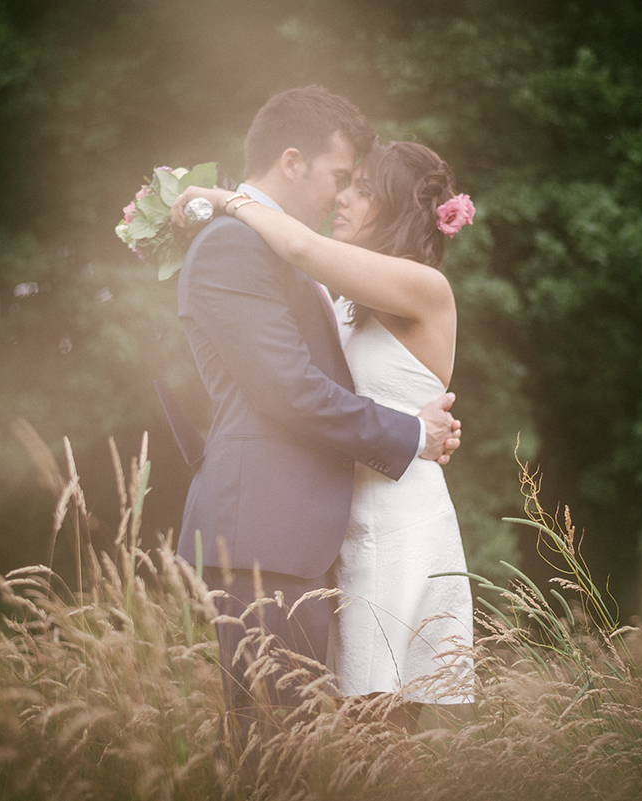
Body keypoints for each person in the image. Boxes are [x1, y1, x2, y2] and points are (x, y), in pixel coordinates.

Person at [166, 86, 461, 749]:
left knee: (344, 750)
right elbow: (287, 388)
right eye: (340, 179)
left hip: (356, 528)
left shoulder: (361, 279)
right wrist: (412, 430)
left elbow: (300, 367)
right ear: (294, 163)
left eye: (359, 186)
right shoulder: (243, 250)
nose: (343, 196)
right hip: (286, 529)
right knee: (279, 750)